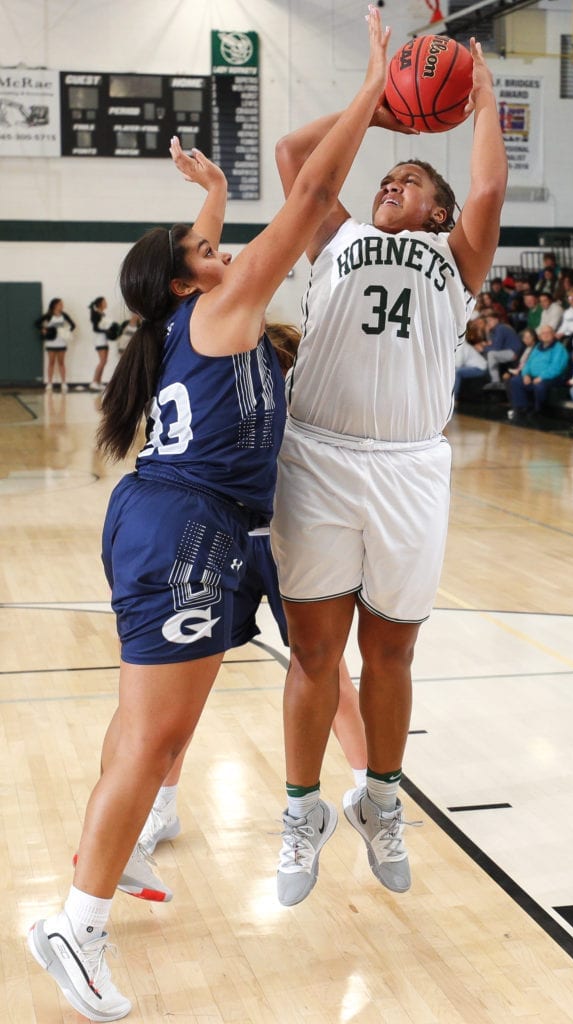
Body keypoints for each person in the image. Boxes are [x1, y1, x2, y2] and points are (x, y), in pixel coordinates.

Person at [27, 11, 391, 1020]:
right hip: (185, 527)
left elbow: (222, 236)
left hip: (183, 519)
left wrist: (216, 193)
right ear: (190, 276)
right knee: (154, 737)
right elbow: (314, 190)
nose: (222, 246)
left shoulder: (196, 312)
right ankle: (76, 922)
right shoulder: (223, 309)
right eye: (206, 243)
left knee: (144, 729)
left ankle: (113, 853)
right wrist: (374, 82)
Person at [270, 37, 507, 907]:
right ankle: (302, 814)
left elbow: (485, 189)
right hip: (321, 456)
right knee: (315, 652)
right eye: (384, 177)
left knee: (393, 648)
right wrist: (377, 103)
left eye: (409, 180)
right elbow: (296, 159)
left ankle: (380, 798)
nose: (388, 184)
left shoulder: (456, 259)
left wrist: (479, 94)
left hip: (409, 467)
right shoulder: (334, 236)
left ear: (439, 210)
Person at [136, 320, 369, 860]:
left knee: (326, 673)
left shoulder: (304, 408)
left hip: (289, 545)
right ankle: (162, 808)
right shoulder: (227, 399)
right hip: (234, 538)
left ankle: (365, 790)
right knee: (190, 682)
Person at [506, 324, 569, 420]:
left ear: (553, 334)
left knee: (540, 386)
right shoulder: (538, 347)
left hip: (552, 378)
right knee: (515, 381)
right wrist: (525, 374)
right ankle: (521, 408)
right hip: (533, 376)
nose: (546, 335)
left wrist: (542, 377)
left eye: (548, 332)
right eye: (543, 333)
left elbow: (556, 368)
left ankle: (538, 411)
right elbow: (528, 363)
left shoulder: (559, 348)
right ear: (539, 336)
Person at [35, 297, 75, 391]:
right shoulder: (49, 315)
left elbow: (73, 325)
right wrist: (43, 329)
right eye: (60, 304)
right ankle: (49, 382)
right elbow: (37, 323)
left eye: (62, 304)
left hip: (61, 341)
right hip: (51, 342)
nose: (62, 306)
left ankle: (64, 382)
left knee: (61, 362)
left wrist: (66, 332)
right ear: (55, 305)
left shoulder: (64, 315)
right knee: (51, 362)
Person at [481, 310, 522, 387]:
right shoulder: (494, 330)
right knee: (488, 354)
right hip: (506, 351)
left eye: (490, 320)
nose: (488, 323)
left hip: (514, 353)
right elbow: (492, 344)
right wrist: (487, 333)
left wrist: (484, 348)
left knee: (491, 354)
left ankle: (495, 382)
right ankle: (490, 380)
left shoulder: (501, 328)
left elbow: (496, 348)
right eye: (487, 321)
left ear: (496, 320)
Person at [88, 296, 117, 391]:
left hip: (104, 340)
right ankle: (94, 382)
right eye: (104, 302)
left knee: (104, 361)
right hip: (99, 340)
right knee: (102, 361)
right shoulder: (96, 314)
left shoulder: (102, 314)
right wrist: (106, 330)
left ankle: (98, 382)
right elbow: (95, 328)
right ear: (100, 303)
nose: (106, 303)